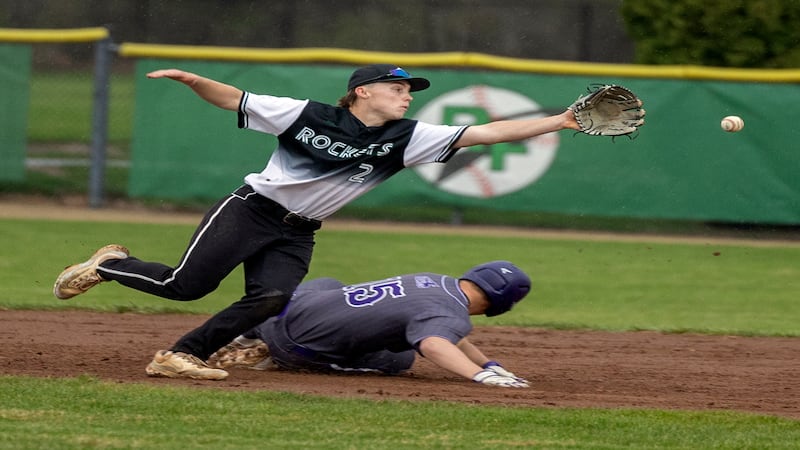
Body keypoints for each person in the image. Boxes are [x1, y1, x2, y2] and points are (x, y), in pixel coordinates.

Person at [53, 63, 582, 381]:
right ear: (363, 92)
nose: (407, 95)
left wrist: (558, 120)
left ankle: (181, 355)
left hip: (298, 229)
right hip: (250, 209)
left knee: (272, 299)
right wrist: (193, 79)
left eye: (409, 91)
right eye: (397, 88)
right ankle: (113, 264)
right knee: (184, 285)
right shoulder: (307, 115)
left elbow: (486, 134)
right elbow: (235, 99)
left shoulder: (409, 137)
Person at [209, 260, 532, 387]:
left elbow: (450, 332)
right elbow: (435, 342)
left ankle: (248, 333)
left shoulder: (435, 281)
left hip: (282, 313)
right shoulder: (448, 314)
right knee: (402, 357)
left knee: (328, 283)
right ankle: (270, 356)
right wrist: (482, 376)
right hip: (296, 348)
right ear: (500, 303)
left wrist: (489, 362)